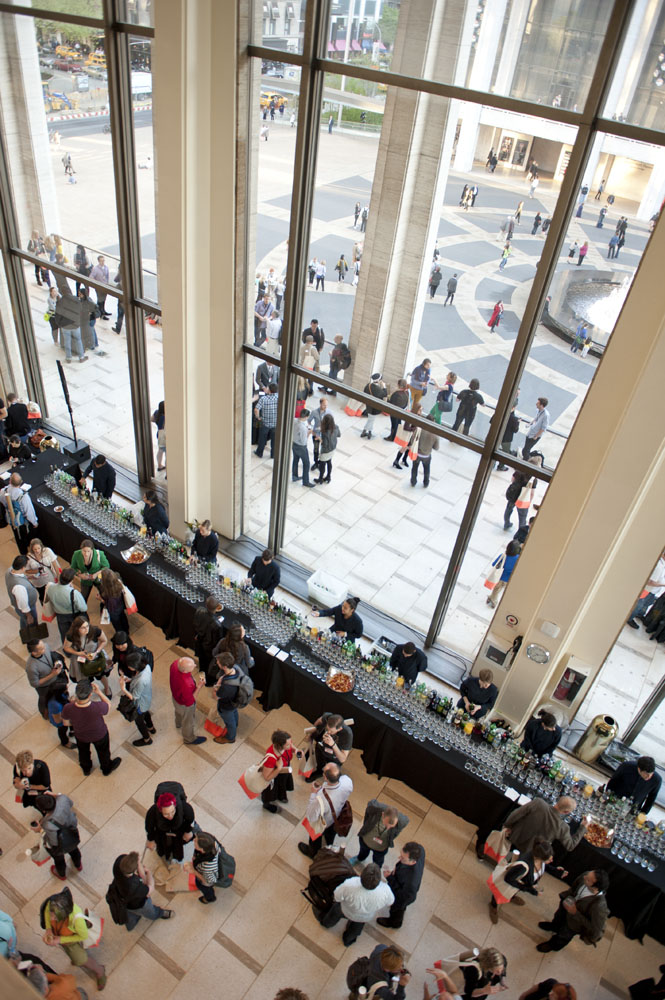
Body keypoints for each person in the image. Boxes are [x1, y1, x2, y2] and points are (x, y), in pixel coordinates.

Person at [40, 886, 106, 990]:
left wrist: (61, 939)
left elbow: (83, 935)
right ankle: (75, 957)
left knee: (81, 959)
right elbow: (46, 912)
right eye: (51, 915)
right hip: (61, 935)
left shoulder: (77, 920)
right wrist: (48, 929)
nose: (51, 918)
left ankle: (100, 970)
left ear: (64, 915)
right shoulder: (52, 904)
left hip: (70, 939)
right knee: (73, 955)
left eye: (55, 917)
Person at [481, 795, 589, 858]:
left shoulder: (538, 803)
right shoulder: (562, 827)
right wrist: (582, 828)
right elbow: (570, 846)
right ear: (566, 812)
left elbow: (516, 814)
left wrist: (507, 826)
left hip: (516, 836)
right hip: (530, 851)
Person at [537, 869, 610, 952]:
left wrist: (575, 913)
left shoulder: (599, 906)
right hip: (566, 907)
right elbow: (574, 886)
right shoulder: (585, 876)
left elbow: (595, 929)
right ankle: (554, 926)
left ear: (595, 887)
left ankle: (554, 945)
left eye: (588, 879)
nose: (584, 877)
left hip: (574, 924)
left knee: (564, 935)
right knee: (558, 918)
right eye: (587, 875)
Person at [61, 680, 121, 777]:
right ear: (89, 695)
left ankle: (86, 768)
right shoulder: (98, 707)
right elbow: (108, 704)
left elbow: (65, 723)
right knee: (103, 752)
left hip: (81, 736)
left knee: (83, 753)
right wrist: (99, 692)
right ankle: (106, 768)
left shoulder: (68, 707)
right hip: (99, 734)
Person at [488, 838, 553, 923]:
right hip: (511, 884)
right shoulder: (523, 866)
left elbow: (545, 866)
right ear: (540, 858)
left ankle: (511, 896)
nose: (551, 860)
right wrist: (529, 889)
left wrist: (556, 871)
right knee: (498, 893)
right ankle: (493, 905)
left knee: (512, 891)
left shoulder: (538, 856)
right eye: (548, 859)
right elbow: (508, 879)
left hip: (520, 883)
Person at [330, 863, 395, 946]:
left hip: (345, 909)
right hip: (363, 917)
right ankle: (348, 941)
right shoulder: (385, 890)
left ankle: (327, 923)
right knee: (355, 930)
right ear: (379, 879)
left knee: (333, 915)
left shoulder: (350, 884)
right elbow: (390, 902)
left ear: (362, 874)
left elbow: (337, 896)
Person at [298, 762, 353, 857]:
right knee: (330, 834)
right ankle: (328, 844)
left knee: (315, 838)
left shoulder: (321, 798)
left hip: (324, 822)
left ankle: (313, 852)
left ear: (325, 777)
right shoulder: (347, 781)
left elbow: (311, 816)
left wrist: (313, 794)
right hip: (336, 818)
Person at [110, 852, 173, 929]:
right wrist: (148, 872)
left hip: (120, 896)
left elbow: (141, 877)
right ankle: (159, 913)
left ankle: (131, 923)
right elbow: (150, 887)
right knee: (151, 912)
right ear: (132, 872)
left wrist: (138, 863)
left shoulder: (119, 862)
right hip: (138, 904)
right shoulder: (134, 886)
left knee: (130, 915)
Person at [33, 793, 82, 881]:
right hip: (72, 832)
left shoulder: (47, 823)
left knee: (59, 859)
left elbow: (54, 842)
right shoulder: (63, 799)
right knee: (74, 850)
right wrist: (56, 795)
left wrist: (40, 830)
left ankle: (62, 874)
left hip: (62, 844)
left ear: (43, 811)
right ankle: (78, 865)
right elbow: (70, 803)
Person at [378, 842, 425, 929]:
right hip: (403, 887)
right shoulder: (420, 849)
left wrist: (390, 878)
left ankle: (394, 922)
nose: (399, 858)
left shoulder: (411, 880)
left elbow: (402, 895)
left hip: (404, 896)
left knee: (397, 908)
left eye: (403, 858)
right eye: (400, 855)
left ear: (413, 861)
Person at [348, 799, 409, 868]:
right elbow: (369, 810)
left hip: (381, 849)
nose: (388, 828)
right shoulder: (374, 808)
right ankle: (359, 858)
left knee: (378, 861)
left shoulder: (402, 821)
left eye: (391, 827)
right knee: (363, 852)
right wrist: (366, 826)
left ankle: (375, 869)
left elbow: (404, 822)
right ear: (383, 815)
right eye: (386, 825)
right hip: (365, 841)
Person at [145, 790, 195, 863]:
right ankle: (164, 853)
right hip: (161, 832)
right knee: (162, 845)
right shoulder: (152, 812)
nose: (170, 816)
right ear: (160, 810)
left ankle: (177, 856)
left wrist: (188, 831)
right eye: (166, 814)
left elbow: (189, 819)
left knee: (178, 846)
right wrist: (151, 839)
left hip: (178, 831)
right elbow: (149, 826)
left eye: (172, 812)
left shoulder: (185, 808)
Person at [118, 651, 155, 746]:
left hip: (140, 704)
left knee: (139, 722)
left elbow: (134, 697)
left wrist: (123, 688)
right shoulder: (147, 667)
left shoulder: (141, 680)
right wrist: (130, 679)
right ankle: (151, 728)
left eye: (130, 666)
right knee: (146, 713)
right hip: (146, 699)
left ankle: (147, 739)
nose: (129, 668)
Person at [304, 712, 354, 782]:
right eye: (327, 729)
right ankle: (319, 771)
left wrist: (333, 745)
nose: (328, 732)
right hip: (321, 747)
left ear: (339, 729)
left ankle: (324, 772)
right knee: (320, 761)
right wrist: (311, 733)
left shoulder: (347, 734)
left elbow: (343, 758)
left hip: (334, 756)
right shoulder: (328, 717)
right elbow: (319, 720)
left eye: (331, 731)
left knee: (331, 769)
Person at [63, 616, 109, 690]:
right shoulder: (71, 636)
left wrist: (96, 652)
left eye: (87, 626)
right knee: (84, 678)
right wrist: (78, 653)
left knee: (101, 674)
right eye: (83, 628)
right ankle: (88, 691)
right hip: (79, 659)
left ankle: (107, 688)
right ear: (76, 628)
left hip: (95, 655)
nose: (86, 629)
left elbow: (104, 641)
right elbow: (66, 647)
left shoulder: (95, 630)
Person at [170, 656, 206, 746]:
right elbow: (190, 701)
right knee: (188, 721)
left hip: (175, 697)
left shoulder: (175, 664)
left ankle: (178, 723)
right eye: (192, 666)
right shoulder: (187, 684)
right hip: (184, 705)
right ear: (185, 671)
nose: (194, 665)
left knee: (178, 712)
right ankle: (189, 739)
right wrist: (199, 687)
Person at [187, 831, 231, 904]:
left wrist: (193, 871)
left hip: (205, 882)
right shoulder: (214, 844)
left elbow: (210, 881)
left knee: (206, 890)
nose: (194, 840)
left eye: (196, 842)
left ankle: (209, 898)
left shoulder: (207, 867)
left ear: (202, 849)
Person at [44, 569, 88, 641]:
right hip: (73, 615)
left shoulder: (50, 588)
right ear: (71, 580)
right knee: (77, 633)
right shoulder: (73, 593)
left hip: (60, 615)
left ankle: (67, 649)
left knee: (64, 634)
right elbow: (83, 608)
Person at [25, 640, 66, 717]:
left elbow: (51, 655)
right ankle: (45, 713)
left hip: (56, 680)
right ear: (34, 653)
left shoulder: (46, 646)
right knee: (46, 700)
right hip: (45, 687)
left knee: (59, 695)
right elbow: (35, 683)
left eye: (43, 645)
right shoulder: (31, 667)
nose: (45, 647)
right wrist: (52, 675)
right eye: (41, 648)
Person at [213, 651, 245, 744]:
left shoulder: (226, 686)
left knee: (229, 721)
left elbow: (216, 697)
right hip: (235, 701)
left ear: (224, 666)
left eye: (218, 662)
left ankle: (230, 737)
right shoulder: (237, 669)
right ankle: (235, 724)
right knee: (234, 713)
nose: (217, 663)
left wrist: (216, 686)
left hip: (226, 706)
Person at [2, 472, 38, 553]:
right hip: (24, 522)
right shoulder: (23, 496)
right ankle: (33, 552)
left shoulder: (3, 491)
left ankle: (23, 552)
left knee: (18, 538)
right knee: (30, 537)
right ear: (21, 482)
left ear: (10, 481)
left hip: (12, 519)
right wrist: (34, 522)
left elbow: (3, 502)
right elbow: (29, 512)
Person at [260, 729, 295, 813]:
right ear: (280, 746)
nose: (290, 746)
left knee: (282, 784)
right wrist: (279, 768)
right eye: (288, 745)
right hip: (273, 776)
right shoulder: (270, 758)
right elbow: (266, 777)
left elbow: (292, 747)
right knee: (270, 793)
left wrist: (296, 750)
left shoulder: (287, 745)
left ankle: (281, 795)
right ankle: (267, 805)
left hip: (284, 772)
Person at [626, 552, 665, 628]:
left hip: (653, 592)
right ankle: (629, 618)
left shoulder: (662, 565)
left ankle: (639, 614)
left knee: (646, 605)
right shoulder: (659, 566)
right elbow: (650, 582)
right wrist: (663, 585)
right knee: (639, 606)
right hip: (648, 591)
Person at [193, 596, 225, 684]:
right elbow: (218, 640)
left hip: (199, 640)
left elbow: (196, 624)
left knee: (202, 660)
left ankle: (202, 671)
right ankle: (209, 681)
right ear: (217, 608)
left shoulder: (199, 611)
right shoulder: (217, 625)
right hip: (209, 647)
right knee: (209, 664)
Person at [70, 538, 110, 603]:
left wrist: (96, 574)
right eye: (84, 551)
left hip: (99, 577)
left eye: (88, 551)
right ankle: (83, 611)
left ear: (92, 550)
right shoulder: (76, 554)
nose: (86, 554)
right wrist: (80, 575)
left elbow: (106, 567)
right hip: (85, 580)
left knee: (103, 592)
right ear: (81, 549)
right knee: (83, 597)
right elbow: (73, 568)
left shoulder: (99, 554)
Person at [6, 554, 39, 628]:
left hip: (19, 607)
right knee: (31, 624)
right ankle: (33, 638)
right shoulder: (19, 587)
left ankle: (24, 630)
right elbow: (23, 603)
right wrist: (29, 615)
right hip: (28, 608)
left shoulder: (9, 570)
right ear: (22, 568)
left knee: (24, 621)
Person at [487, 540, 521, 608]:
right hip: (509, 579)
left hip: (500, 577)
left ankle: (493, 601)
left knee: (496, 589)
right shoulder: (518, 558)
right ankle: (491, 598)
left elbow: (494, 564)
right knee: (500, 589)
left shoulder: (503, 556)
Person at [26, 538, 60, 604]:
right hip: (38, 581)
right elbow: (26, 571)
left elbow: (55, 564)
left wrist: (58, 575)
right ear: (32, 549)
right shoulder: (29, 556)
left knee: (53, 592)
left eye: (38, 548)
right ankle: (45, 606)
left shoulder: (47, 551)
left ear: (41, 546)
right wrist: (35, 571)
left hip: (50, 577)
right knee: (42, 595)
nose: (37, 551)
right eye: (35, 549)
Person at [410, 412, 440, 488]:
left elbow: (412, 439)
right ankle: (426, 482)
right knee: (426, 469)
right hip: (427, 455)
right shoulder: (435, 434)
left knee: (414, 468)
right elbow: (436, 448)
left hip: (417, 453)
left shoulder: (419, 429)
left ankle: (413, 481)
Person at [98, 569, 129, 633]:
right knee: (122, 616)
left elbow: (109, 606)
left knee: (117, 624)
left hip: (114, 611)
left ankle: (121, 634)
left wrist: (100, 599)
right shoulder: (119, 582)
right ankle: (126, 629)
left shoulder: (106, 592)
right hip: (121, 605)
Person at [254, 382, 279, 458]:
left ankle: (259, 453)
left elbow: (256, 409)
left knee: (262, 439)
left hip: (265, 423)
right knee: (274, 441)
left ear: (269, 390)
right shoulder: (279, 397)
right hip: (275, 424)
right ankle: (273, 455)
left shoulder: (263, 399)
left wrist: (258, 417)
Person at [393, 403, 422, 468]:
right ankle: (396, 461)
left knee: (408, 448)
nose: (421, 411)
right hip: (409, 436)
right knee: (404, 448)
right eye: (420, 409)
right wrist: (413, 429)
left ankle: (404, 459)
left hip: (412, 436)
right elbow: (405, 427)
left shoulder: (417, 415)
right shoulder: (410, 416)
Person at [314, 412, 340, 483]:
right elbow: (339, 435)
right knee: (329, 462)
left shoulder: (325, 432)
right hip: (333, 448)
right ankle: (328, 477)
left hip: (326, 451)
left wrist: (319, 438)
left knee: (322, 464)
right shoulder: (336, 427)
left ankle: (320, 479)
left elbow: (324, 444)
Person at [292, 408, 315, 487]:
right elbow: (303, 441)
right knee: (306, 464)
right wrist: (309, 432)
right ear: (306, 417)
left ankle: (294, 476)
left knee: (295, 460)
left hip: (293, 444)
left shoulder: (294, 420)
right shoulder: (302, 428)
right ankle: (305, 481)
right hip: (301, 447)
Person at [361, 373, 387, 440]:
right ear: (379, 380)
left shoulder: (368, 385)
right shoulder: (378, 389)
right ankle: (367, 433)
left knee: (370, 419)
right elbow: (385, 394)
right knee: (371, 420)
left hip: (369, 406)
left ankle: (366, 431)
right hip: (375, 408)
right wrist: (384, 387)